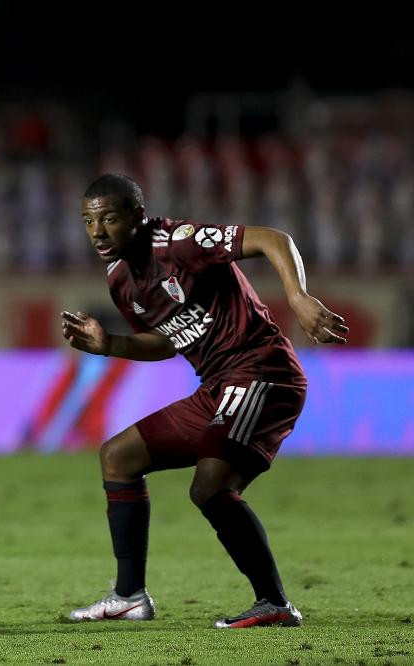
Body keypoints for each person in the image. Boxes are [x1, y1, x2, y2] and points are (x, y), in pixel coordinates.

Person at [61, 173, 347, 628]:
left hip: (262, 370)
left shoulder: (178, 242)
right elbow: (165, 342)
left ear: (137, 215)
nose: (97, 231)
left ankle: (273, 602)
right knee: (118, 457)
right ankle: (129, 596)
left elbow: (274, 239)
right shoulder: (121, 280)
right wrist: (108, 344)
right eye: (88, 221)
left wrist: (298, 297)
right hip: (216, 386)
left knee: (210, 485)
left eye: (109, 219)